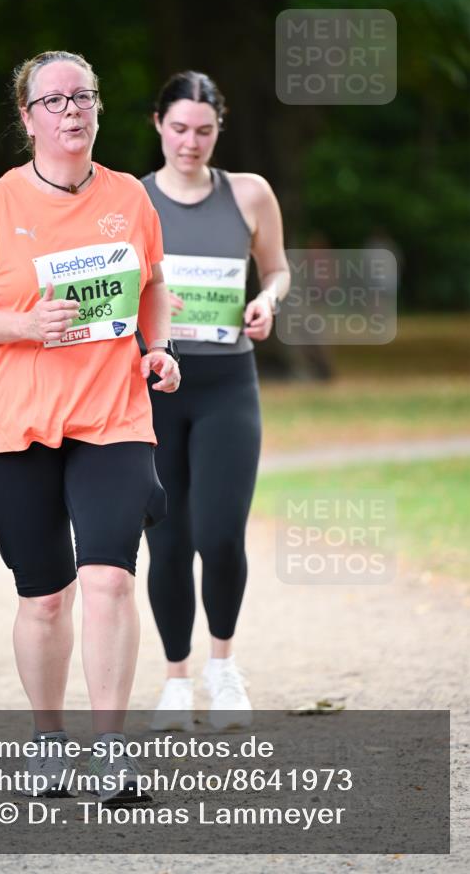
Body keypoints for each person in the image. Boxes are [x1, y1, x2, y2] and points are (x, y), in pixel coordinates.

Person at [0, 50, 180, 801]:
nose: (71, 110)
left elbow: (155, 283)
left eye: (84, 96)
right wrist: (25, 324)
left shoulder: (129, 199)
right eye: (54, 100)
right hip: (14, 425)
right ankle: (48, 740)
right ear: (27, 117)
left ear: (99, 109)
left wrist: (159, 345)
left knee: (108, 578)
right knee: (45, 596)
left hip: (111, 413)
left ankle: (111, 751)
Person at [141, 71, 290, 731]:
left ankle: (222, 668)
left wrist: (266, 299)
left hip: (229, 383)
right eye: (178, 128)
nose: (189, 142)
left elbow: (277, 266)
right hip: (155, 388)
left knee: (221, 535)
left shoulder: (250, 194)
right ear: (157, 125)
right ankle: (175, 680)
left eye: (202, 130)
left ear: (218, 130)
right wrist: (148, 306)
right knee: (167, 542)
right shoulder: (131, 200)